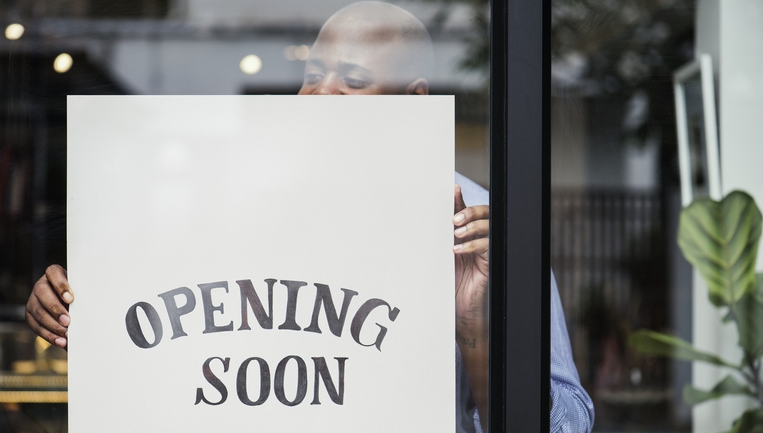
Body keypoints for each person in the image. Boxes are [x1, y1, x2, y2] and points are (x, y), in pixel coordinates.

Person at [25, 2, 593, 432]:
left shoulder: (478, 231)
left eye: (353, 79)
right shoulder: (234, 204)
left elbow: (567, 421)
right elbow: (180, 350)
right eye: (313, 74)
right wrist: (89, 318)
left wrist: (473, 326)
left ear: (414, 101)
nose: (322, 95)